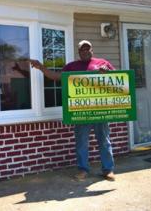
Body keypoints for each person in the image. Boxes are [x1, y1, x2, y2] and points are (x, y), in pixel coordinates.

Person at [28, 40, 116, 181]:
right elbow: (56, 77)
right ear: (79, 52)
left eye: (88, 49)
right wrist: (41, 67)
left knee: (104, 140)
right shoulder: (71, 66)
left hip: (100, 109)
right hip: (80, 110)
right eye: (82, 49)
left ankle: (108, 170)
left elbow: (118, 78)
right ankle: (83, 170)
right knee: (81, 141)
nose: (85, 51)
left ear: (92, 50)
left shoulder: (102, 62)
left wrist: (108, 72)